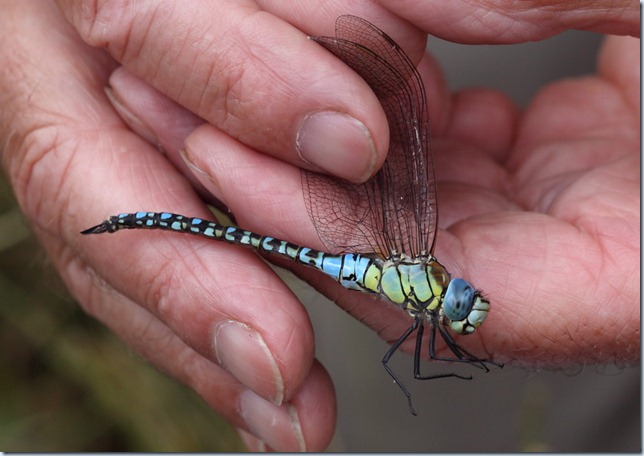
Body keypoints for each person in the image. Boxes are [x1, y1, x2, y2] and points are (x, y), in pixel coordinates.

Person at [0, 1, 639, 452]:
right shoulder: (422, 276)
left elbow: (419, 359)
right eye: (466, 301)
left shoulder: (424, 279)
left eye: (464, 304)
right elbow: (413, 365)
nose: (469, 307)